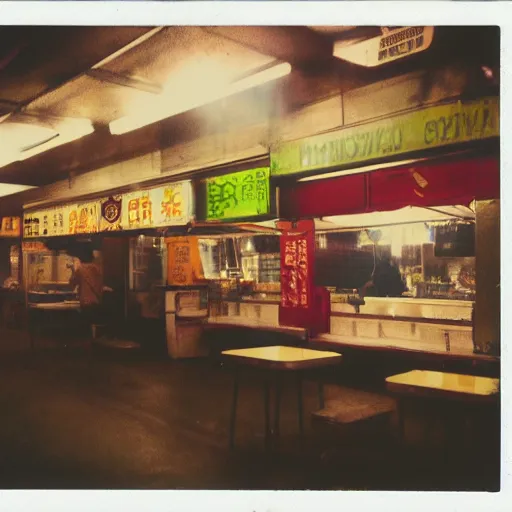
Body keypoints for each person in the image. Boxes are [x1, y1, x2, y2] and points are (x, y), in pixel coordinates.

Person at [69, 247, 105, 336]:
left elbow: (71, 285)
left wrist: (73, 270)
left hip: (86, 303)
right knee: (94, 325)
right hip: (97, 302)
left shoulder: (81, 270)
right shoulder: (98, 269)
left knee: (85, 329)